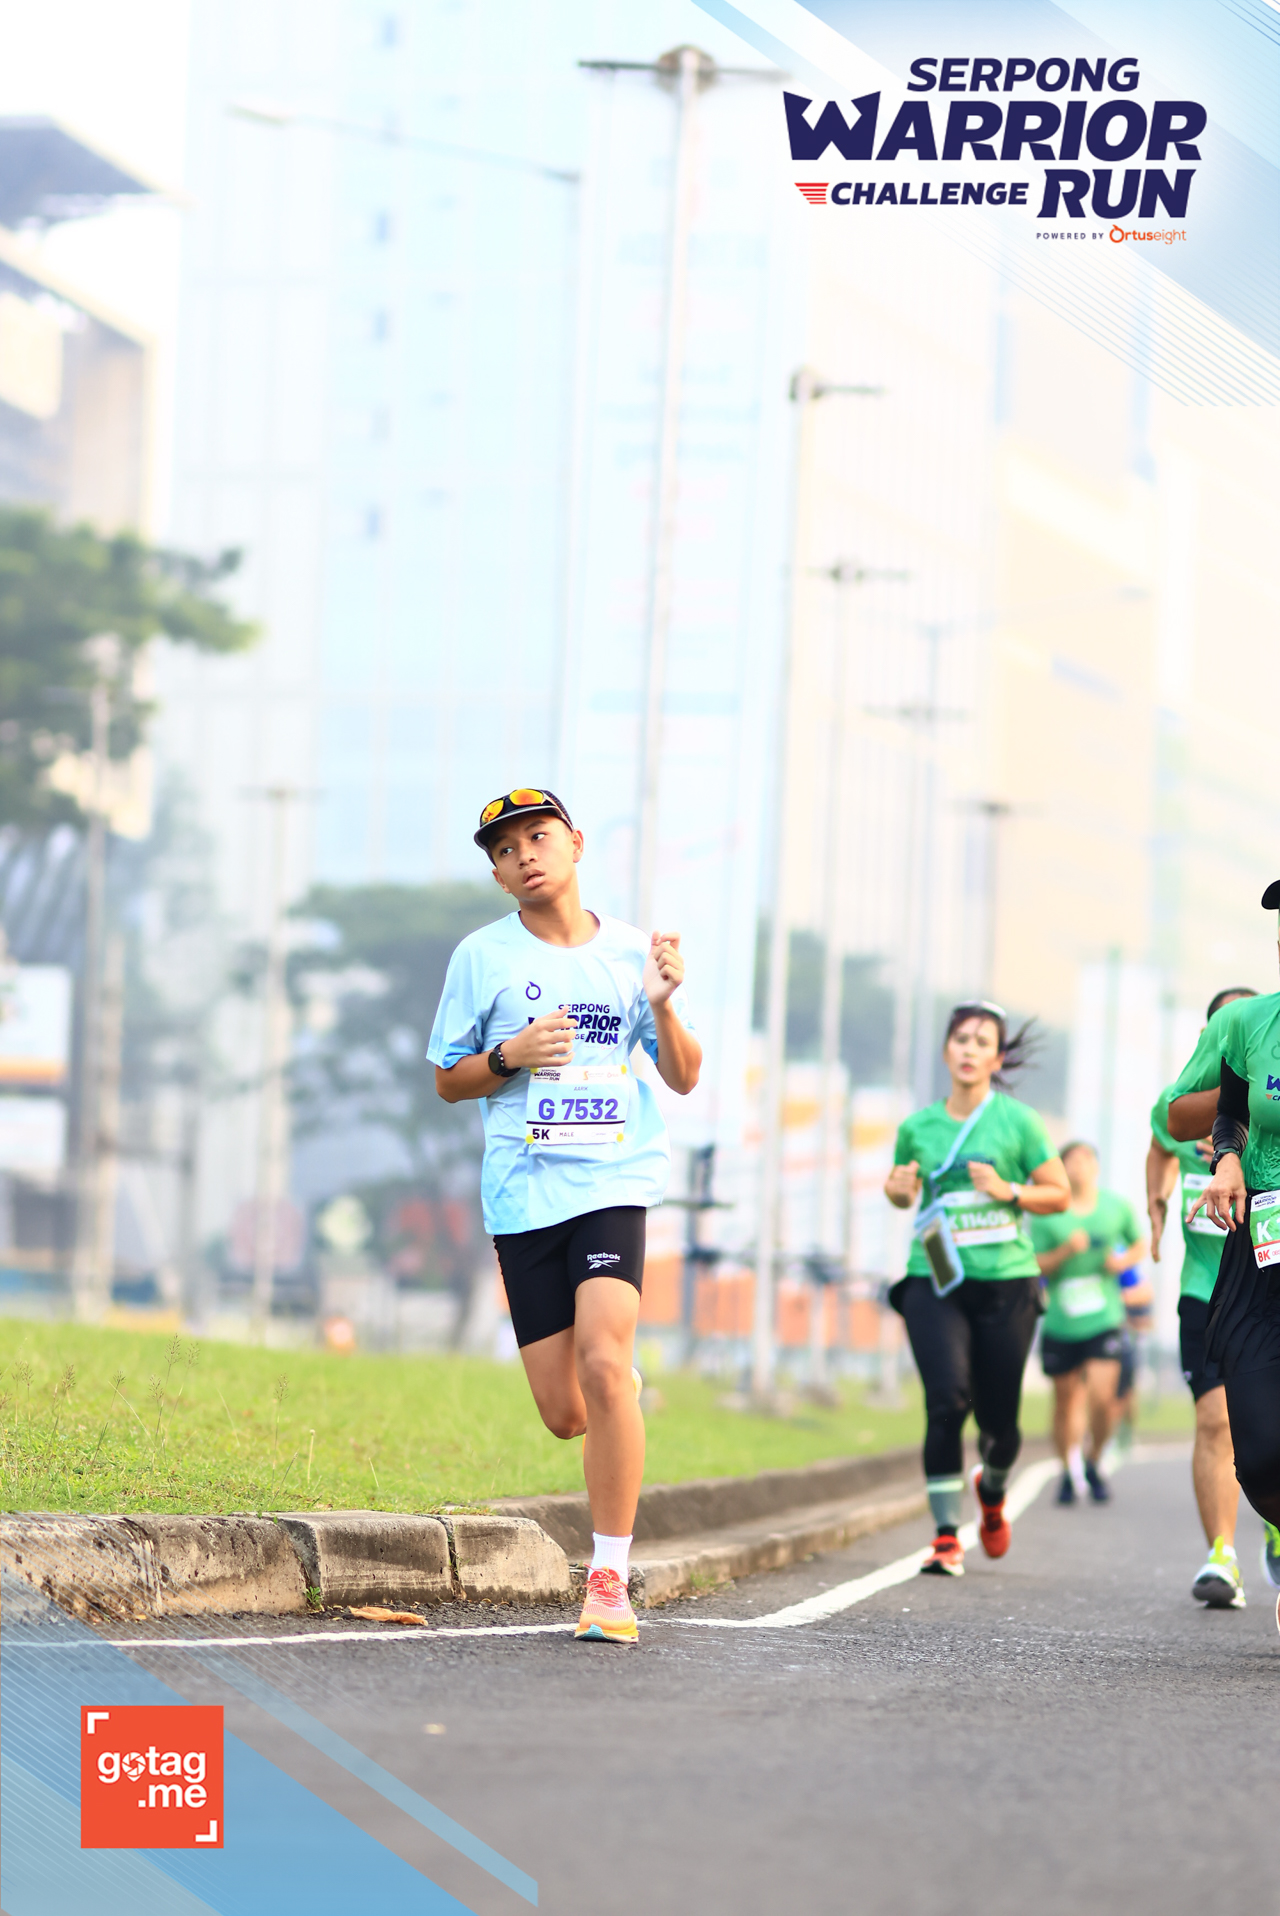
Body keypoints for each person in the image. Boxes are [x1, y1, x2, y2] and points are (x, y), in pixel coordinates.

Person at [428, 787, 701, 1645]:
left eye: (539, 838)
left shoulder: (632, 953)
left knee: (604, 1363)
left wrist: (662, 1003)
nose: (525, 857)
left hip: (613, 1179)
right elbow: (448, 1079)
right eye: (506, 852)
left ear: (576, 844)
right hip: (523, 1194)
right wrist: (510, 1055)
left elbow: (684, 1076)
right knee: (567, 1411)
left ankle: (608, 1581)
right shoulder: (482, 957)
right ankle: (614, 1390)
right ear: (499, 876)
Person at [884, 1002, 1070, 1576]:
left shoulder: (1020, 1122)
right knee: (945, 1402)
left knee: (1000, 1425)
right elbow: (901, 1193)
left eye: (982, 1042)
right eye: (960, 1039)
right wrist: (897, 1187)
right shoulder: (917, 1127)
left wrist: (1009, 1190)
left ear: (998, 1057)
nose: (969, 1050)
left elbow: (1058, 1194)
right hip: (935, 1275)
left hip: (1007, 1284)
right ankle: (945, 1537)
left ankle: (991, 1490)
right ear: (947, 1050)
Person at [1179, 888, 1280, 1620]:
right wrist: (1228, 1158)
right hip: (1261, 1249)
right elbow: (1231, 1113)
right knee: (1259, 1449)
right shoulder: (1248, 1023)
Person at [1148, 986, 1257, 1609]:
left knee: (1263, 1430)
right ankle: (1222, 1554)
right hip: (1204, 1287)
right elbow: (1161, 1141)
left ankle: (1272, 1520)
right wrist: (1156, 1203)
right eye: (1223, 1029)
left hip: (1264, 1278)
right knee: (1215, 1420)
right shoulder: (1186, 1101)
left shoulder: (1268, 1099)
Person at [1029, 1143, 1148, 1506]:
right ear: (1062, 1169)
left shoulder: (1115, 1207)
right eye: (1072, 1160)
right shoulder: (1048, 1214)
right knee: (1065, 1402)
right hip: (1061, 1321)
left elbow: (1140, 1244)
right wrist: (1066, 1250)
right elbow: (1035, 1264)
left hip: (1104, 1318)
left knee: (1103, 1397)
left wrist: (1121, 1263)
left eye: (1086, 1159)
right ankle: (1068, 1470)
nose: (1079, 1165)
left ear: (1096, 1166)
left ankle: (1094, 1459)